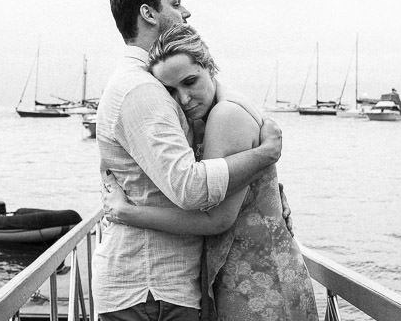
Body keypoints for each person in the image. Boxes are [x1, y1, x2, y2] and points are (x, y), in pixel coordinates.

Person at [93, 0, 284, 321]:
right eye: (176, 3)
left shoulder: (154, 83)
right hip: (152, 287)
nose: (187, 13)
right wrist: (263, 156)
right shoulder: (141, 89)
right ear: (148, 13)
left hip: (161, 286)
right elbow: (190, 188)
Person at [103, 23, 318, 320]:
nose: (184, 99)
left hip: (257, 276)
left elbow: (217, 219)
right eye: (171, 91)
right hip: (252, 269)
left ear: (210, 66)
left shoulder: (226, 114)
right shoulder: (219, 110)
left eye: (190, 81)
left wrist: (127, 213)